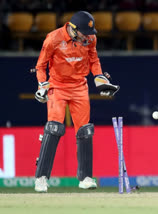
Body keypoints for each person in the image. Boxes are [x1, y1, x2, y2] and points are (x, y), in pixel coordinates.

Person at [33, 11, 120, 193]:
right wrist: (42, 85)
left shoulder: (90, 39)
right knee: (54, 128)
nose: (87, 37)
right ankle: (41, 178)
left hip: (80, 87)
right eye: (83, 33)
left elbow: (94, 60)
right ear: (72, 29)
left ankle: (85, 178)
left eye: (89, 33)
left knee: (85, 131)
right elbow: (41, 66)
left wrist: (100, 79)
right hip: (57, 86)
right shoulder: (53, 39)